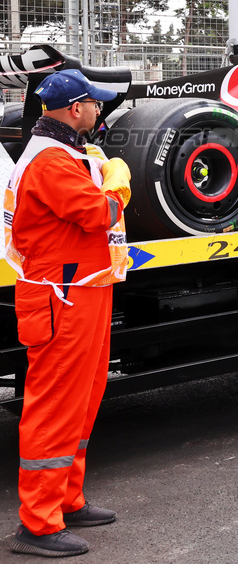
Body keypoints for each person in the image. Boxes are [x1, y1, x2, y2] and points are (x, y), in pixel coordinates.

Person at [4, 70, 130, 558]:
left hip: (80, 290)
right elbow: (98, 214)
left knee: (82, 398)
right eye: (95, 103)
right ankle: (37, 525)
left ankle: (65, 500)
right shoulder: (52, 160)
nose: (99, 110)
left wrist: (102, 169)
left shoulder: (62, 152)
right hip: (61, 296)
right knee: (55, 405)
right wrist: (119, 182)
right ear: (75, 108)